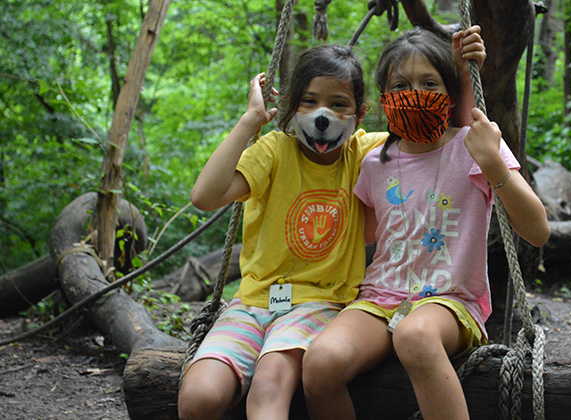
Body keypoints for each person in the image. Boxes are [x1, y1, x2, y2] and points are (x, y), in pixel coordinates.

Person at [302, 27, 550, 420]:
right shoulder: (374, 163)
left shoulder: (474, 147)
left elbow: (537, 231)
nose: (414, 93)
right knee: (320, 363)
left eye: (429, 83)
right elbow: (365, 237)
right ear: (384, 98)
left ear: (449, 93)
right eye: (401, 84)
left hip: (450, 302)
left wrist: (492, 163)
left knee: (414, 334)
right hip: (379, 299)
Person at [178, 44, 387, 420]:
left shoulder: (363, 152)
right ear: (292, 107)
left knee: (269, 386)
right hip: (253, 302)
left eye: (339, 104)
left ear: (360, 113)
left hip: (319, 303)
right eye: (309, 101)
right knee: (198, 397)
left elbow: (431, 135)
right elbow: (205, 196)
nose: (324, 114)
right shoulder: (274, 151)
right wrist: (250, 121)